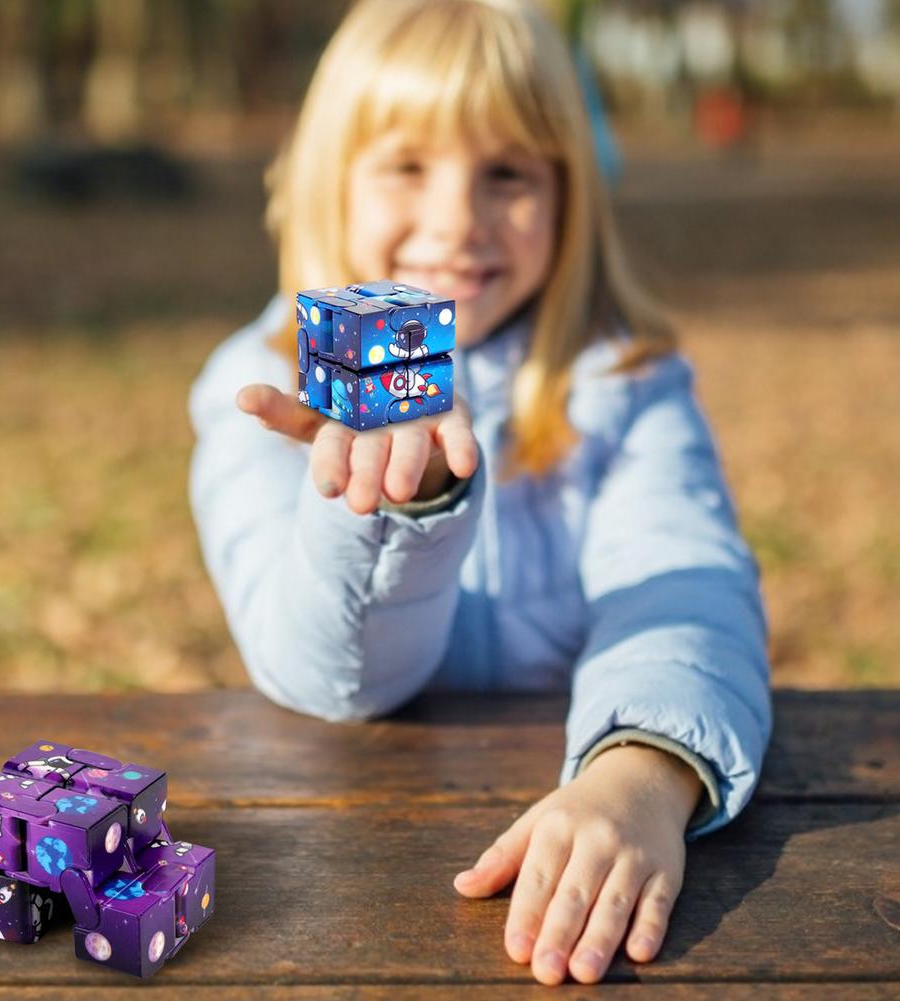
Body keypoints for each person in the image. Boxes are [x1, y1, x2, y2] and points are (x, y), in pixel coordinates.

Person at [188, 0, 771, 987]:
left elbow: (686, 587)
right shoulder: (255, 385)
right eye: (407, 165)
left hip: (561, 839)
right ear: (328, 182)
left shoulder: (623, 386)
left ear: (569, 196)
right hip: (337, 873)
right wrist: (390, 505)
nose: (457, 219)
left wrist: (641, 769)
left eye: (505, 172)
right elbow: (323, 676)